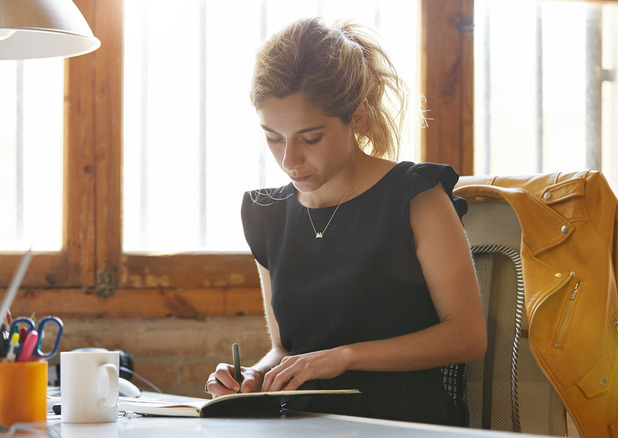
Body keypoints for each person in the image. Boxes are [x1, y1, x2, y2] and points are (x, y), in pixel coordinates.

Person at [205, 17, 486, 426]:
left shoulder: (416, 196)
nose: (289, 160)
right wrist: (252, 376)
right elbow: (285, 348)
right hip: (301, 423)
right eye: (273, 137)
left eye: (311, 138)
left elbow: (467, 336)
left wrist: (344, 357)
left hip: (403, 423)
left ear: (357, 117)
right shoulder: (265, 214)